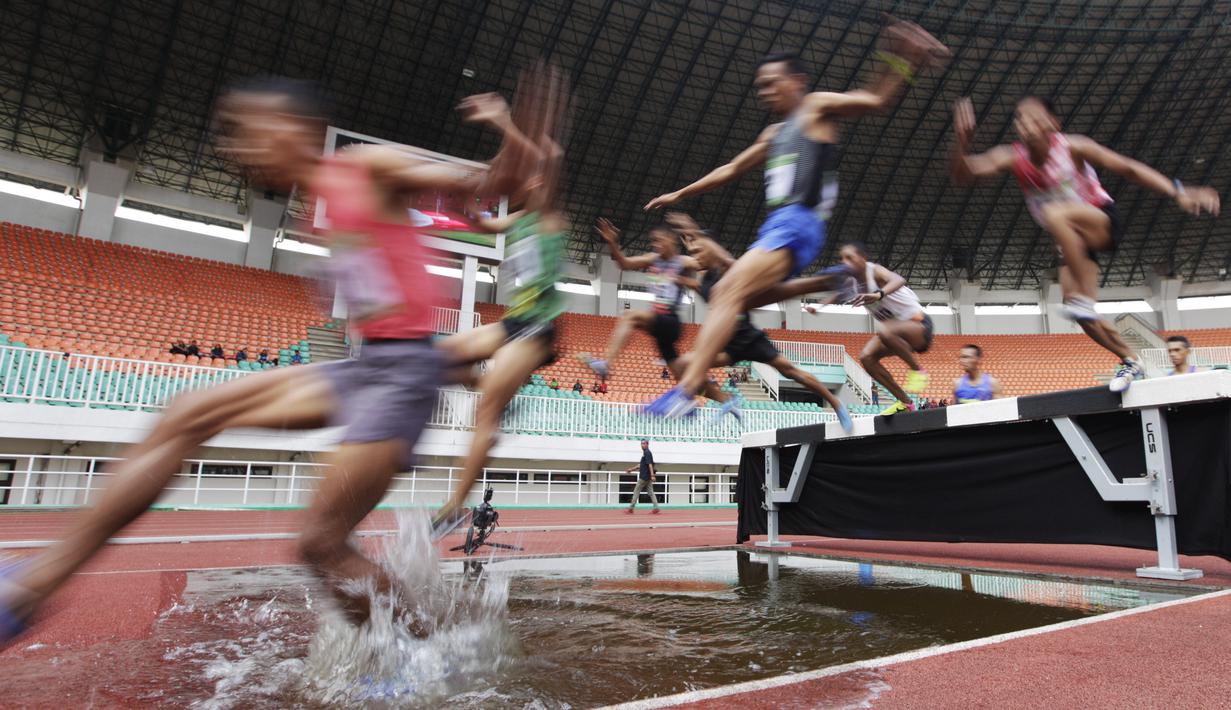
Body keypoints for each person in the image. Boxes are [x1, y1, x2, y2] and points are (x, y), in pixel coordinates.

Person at [0, 77, 511, 643]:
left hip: (404, 374)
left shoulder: (366, 166)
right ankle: (34, 586)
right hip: (367, 368)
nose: (236, 149)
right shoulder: (319, 205)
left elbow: (485, 181)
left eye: (247, 132)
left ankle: (423, 654)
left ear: (291, 127)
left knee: (321, 545)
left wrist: (512, 133)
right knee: (186, 413)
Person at [640, 20, 949, 418]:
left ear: (797, 81)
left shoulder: (815, 106)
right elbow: (732, 168)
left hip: (799, 221)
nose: (765, 91)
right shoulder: (773, 133)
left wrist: (902, 60)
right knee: (736, 297)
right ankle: (826, 279)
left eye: (772, 82)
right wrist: (681, 193)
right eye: (761, 86)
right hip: (778, 225)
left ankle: (684, 392)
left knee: (727, 291)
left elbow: (874, 101)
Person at [951, 96, 1220, 392]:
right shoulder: (1013, 156)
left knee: (1056, 214)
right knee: (1083, 316)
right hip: (1072, 241)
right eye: (1020, 119)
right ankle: (1130, 360)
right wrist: (963, 144)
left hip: (1099, 221)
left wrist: (1177, 191)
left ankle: (1083, 300)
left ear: (1053, 124)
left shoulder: (1072, 146)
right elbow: (964, 174)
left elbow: (1127, 167)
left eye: (1033, 118)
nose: (1025, 124)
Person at [431, 61, 574, 527]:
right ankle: (499, 394)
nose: (531, 179)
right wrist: (466, 202)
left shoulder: (551, 216)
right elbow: (484, 223)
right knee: (440, 357)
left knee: (484, 414)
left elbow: (544, 161)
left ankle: (455, 507)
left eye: (538, 177)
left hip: (537, 329)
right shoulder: (520, 219)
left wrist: (502, 120)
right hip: (513, 322)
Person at [670, 215, 853, 430]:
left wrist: (698, 235)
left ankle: (835, 402)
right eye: (693, 254)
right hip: (726, 344)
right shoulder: (704, 281)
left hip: (748, 337)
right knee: (682, 364)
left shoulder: (730, 270)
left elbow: (727, 260)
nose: (695, 257)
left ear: (712, 249)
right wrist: (676, 271)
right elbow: (690, 279)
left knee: (790, 371)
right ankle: (726, 399)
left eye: (700, 252)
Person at [806, 242, 933, 416]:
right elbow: (837, 295)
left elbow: (899, 280)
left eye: (850, 257)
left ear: (863, 258)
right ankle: (906, 402)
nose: (845, 262)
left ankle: (917, 370)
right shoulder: (852, 283)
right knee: (866, 357)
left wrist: (878, 294)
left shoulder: (874, 271)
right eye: (842, 259)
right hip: (895, 335)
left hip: (918, 327)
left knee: (885, 330)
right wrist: (818, 307)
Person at [586, 219, 691, 382]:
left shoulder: (683, 261)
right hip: (660, 327)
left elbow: (706, 265)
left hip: (671, 321)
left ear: (671, 239)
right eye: (653, 241)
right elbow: (625, 264)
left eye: (659, 240)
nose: (655, 245)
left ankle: (606, 364)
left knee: (630, 316)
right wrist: (613, 243)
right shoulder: (653, 258)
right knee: (680, 375)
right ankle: (720, 399)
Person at [624, 439, 660, 514]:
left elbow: (650, 464)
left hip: (644, 477)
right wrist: (631, 469)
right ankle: (656, 507)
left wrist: (652, 475)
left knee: (636, 491)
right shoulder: (645, 453)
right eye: (641, 444)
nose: (642, 445)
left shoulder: (647, 453)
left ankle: (631, 508)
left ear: (647, 444)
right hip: (648, 477)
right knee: (651, 492)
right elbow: (641, 465)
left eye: (644, 444)